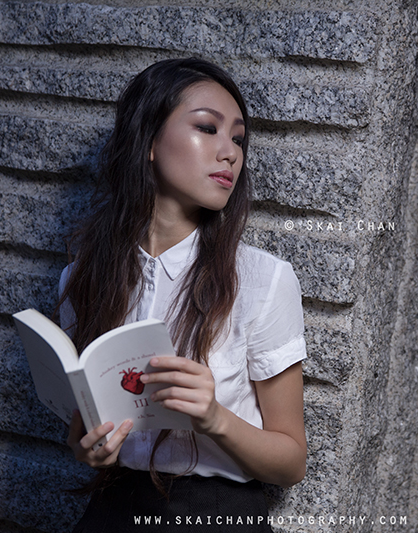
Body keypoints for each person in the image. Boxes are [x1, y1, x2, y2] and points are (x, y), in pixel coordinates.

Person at [57, 57, 307, 532]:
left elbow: (291, 462)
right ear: (148, 141)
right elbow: (82, 436)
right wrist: (88, 448)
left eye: (237, 138)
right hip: (112, 514)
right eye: (207, 128)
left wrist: (214, 418)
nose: (229, 152)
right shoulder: (81, 278)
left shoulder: (262, 280)